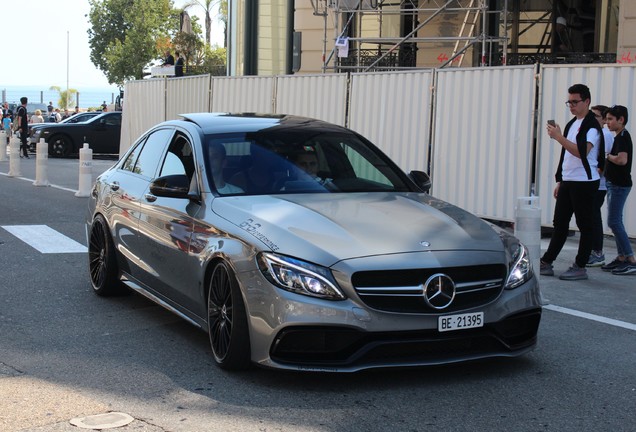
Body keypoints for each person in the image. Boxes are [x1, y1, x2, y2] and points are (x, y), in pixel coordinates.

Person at [540, 83, 603, 280]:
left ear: (587, 101)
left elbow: (581, 152)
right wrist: (561, 179)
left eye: (575, 102)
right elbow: (566, 155)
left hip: (585, 181)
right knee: (560, 223)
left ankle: (580, 265)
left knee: (585, 225)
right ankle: (547, 261)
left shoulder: (592, 126)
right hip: (569, 180)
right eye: (569, 102)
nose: (572, 106)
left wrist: (559, 137)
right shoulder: (572, 123)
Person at [601, 105, 635, 275]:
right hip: (614, 184)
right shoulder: (619, 136)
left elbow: (622, 160)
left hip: (619, 185)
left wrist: (607, 156)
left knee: (614, 222)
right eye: (606, 119)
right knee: (615, 221)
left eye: (610, 119)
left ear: (621, 120)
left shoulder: (622, 137)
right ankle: (621, 257)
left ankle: (630, 259)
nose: (607, 122)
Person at [587, 105, 614, 267]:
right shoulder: (596, 133)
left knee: (594, 217)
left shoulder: (605, 135)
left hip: (599, 184)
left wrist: (599, 172)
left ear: (604, 119)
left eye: (596, 115)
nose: (592, 118)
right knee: (590, 217)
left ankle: (597, 252)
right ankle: (592, 250)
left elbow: (606, 159)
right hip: (593, 183)